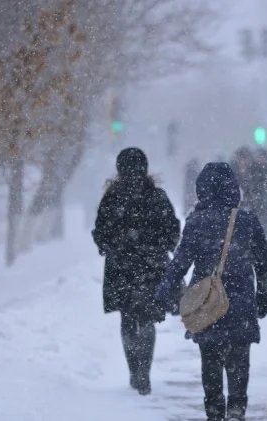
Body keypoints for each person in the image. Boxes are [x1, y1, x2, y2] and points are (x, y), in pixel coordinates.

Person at [156, 162, 267, 421]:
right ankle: (236, 409)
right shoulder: (247, 220)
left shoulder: (196, 222)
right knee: (239, 360)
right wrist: (263, 297)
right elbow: (264, 264)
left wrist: (163, 295)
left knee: (210, 360)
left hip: (207, 302)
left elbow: (180, 263)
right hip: (240, 300)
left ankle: (214, 411)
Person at [91, 147, 181, 396]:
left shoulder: (112, 197)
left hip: (122, 269)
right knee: (147, 319)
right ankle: (144, 374)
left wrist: (114, 247)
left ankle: (135, 372)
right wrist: (158, 248)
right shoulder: (157, 196)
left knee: (128, 319)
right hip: (150, 267)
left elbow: (100, 233)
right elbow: (173, 230)